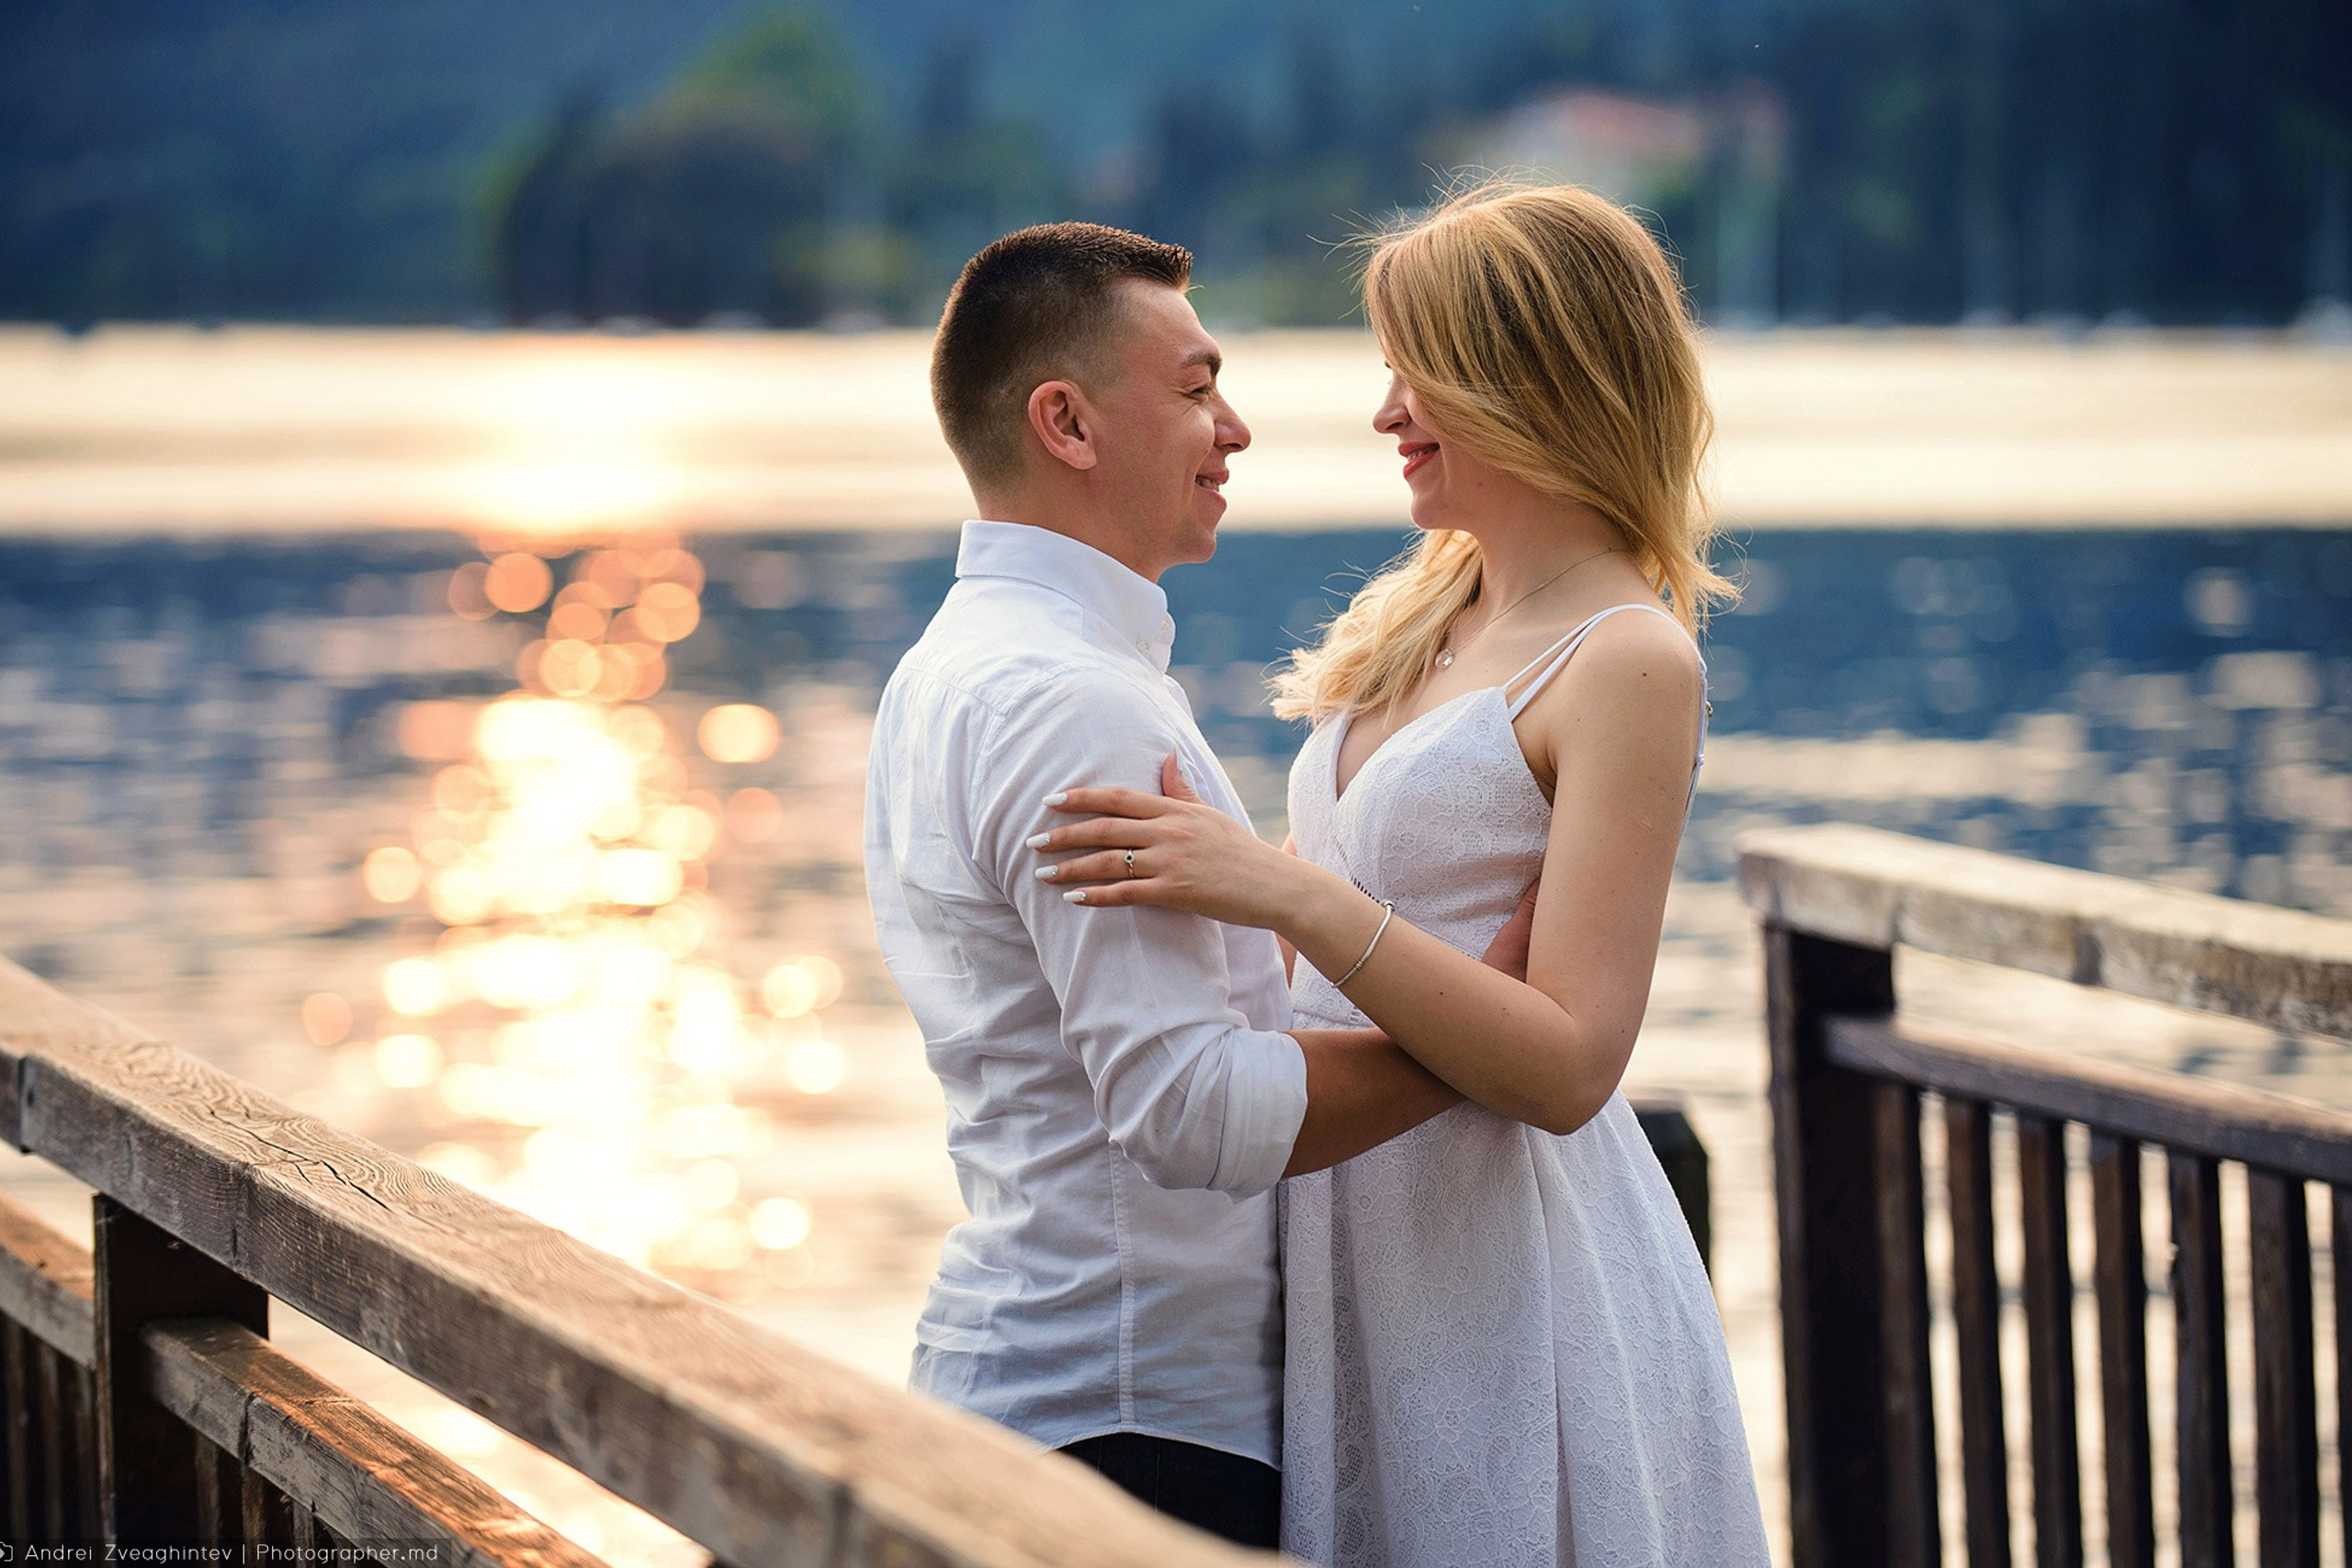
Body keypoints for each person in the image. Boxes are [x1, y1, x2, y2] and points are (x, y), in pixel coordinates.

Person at [1030, 184, 1771, 1565]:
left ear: (1528, 378)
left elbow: (1568, 1067)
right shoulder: (1428, 605)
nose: (1386, 413)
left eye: (1414, 373)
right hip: (1347, 1250)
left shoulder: (1629, 660)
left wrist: (1289, 889)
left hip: (1511, 1270)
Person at [863, 220, 1528, 1549]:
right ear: (1066, 423)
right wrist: (1483, 1036)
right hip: (1129, 1432)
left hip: (1044, 1386)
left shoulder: (964, 665)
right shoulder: (1071, 703)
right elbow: (1188, 1109)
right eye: (1194, 387)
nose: (1233, 429)